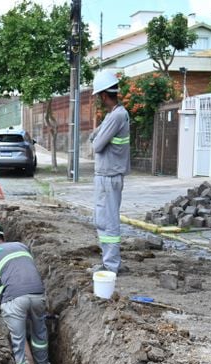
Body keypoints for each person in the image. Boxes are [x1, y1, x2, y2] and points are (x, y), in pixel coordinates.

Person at [0, 221, 52, 364]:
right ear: (2, 238)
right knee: (39, 333)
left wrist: (2, 309)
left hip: (15, 300)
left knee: (17, 341)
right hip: (38, 295)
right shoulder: (21, 246)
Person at [89, 69, 131, 275]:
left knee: (109, 222)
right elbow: (96, 137)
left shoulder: (116, 116)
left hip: (109, 176)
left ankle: (111, 265)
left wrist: (95, 137)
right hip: (107, 175)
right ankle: (109, 263)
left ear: (104, 95)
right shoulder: (114, 115)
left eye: (99, 96)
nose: (98, 99)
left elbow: (96, 144)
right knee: (103, 220)